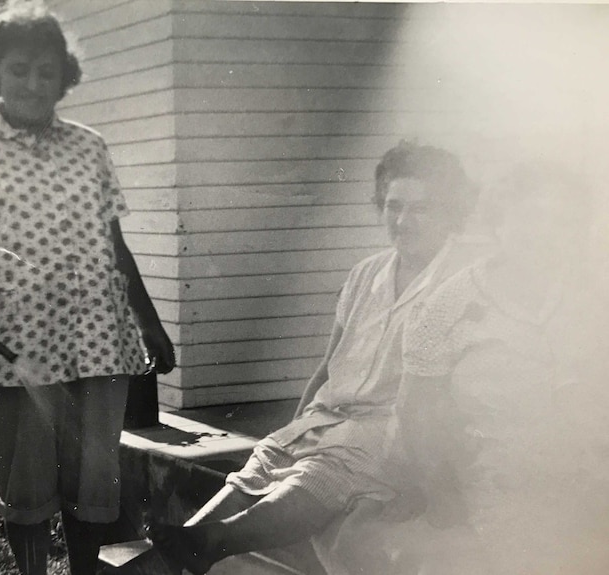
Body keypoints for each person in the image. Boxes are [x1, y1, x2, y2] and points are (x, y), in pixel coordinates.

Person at [0, 5, 174, 575]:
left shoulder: (89, 146)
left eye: (47, 71)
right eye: (19, 69)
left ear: (64, 76)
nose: (34, 84)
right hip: (13, 351)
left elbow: (115, 244)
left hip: (98, 343)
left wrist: (149, 321)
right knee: (28, 495)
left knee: (93, 491)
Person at [148, 141, 481, 575]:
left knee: (324, 470)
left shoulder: (463, 279)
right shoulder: (367, 273)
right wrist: (296, 423)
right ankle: (187, 547)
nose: (402, 221)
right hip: (329, 417)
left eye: (421, 208)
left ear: (450, 210)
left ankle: (214, 541)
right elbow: (329, 365)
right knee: (266, 463)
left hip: (391, 424)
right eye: (393, 206)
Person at [368, 162, 609, 574]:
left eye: (562, 222)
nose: (546, 235)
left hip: (587, 481)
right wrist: (444, 501)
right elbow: (416, 415)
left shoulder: (591, 295)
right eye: (532, 218)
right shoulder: (451, 303)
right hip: (494, 488)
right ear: (499, 221)